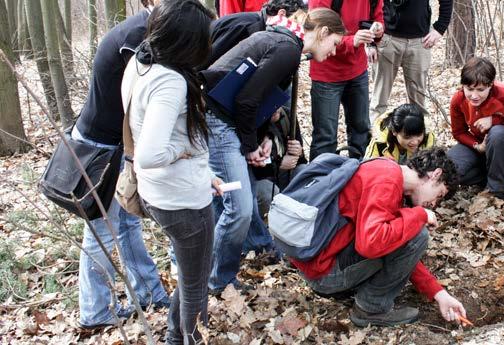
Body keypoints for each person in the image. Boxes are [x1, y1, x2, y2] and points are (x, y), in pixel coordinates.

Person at [200, 8, 345, 295]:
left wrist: (263, 136)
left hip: (223, 121)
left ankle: (250, 251)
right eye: (335, 45)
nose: (333, 52)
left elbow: (259, 97)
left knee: (234, 201)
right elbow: (246, 99)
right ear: (323, 33)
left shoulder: (286, 44)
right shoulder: (287, 48)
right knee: (239, 208)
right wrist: (250, 146)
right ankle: (216, 281)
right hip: (218, 122)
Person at [121, 1, 218, 343]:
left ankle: (175, 338)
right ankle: (190, 339)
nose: (209, 46)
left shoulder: (140, 60)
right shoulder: (170, 82)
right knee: (195, 285)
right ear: (186, 41)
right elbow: (149, 153)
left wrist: (204, 174)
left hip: (161, 193)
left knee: (190, 278)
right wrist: (185, 151)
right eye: (204, 39)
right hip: (181, 201)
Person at [70, 0, 169, 330]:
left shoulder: (148, 31)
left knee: (125, 224)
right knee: (102, 231)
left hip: (112, 142)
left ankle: (149, 292)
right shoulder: (137, 36)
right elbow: (138, 100)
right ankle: (95, 311)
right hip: (100, 145)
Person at [291, 148, 468, 327]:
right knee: (418, 234)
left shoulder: (386, 169)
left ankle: (356, 293)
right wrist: (419, 215)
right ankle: (370, 308)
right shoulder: (388, 180)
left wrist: (439, 294)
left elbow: (398, 249)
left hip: (317, 266)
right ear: (435, 175)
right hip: (325, 274)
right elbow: (370, 244)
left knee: (407, 232)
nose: (435, 204)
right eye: (439, 195)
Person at [446, 57, 504, 199]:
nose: (474, 95)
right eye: (469, 89)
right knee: (452, 169)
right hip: (479, 145)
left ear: (490, 85)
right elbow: (458, 132)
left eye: (480, 90)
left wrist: (495, 120)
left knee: (498, 133)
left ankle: (496, 190)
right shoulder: (458, 100)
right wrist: (476, 145)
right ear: (463, 85)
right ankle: (487, 175)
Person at [308, 0, 384, 160]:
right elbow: (316, 32)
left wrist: (377, 30)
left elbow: (377, 16)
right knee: (325, 137)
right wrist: (351, 41)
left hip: (357, 69)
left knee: (361, 130)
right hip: (326, 73)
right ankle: (321, 180)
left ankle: (360, 176)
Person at [370, 0, 452, 118]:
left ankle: (421, 135)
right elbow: (370, 4)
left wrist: (440, 28)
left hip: (420, 42)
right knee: (378, 103)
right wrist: (371, 42)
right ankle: (374, 136)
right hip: (387, 39)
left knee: (418, 106)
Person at [205, 0, 306, 69]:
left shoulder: (269, 32)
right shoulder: (242, 26)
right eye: (296, 20)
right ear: (281, 14)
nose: (297, 28)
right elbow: (213, 57)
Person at [365, 103, 435, 163]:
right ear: (394, 132)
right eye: (407, 137)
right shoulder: (380, 144)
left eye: (419, 135)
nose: (415, 142)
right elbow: (368, 168)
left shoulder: (428, 138)